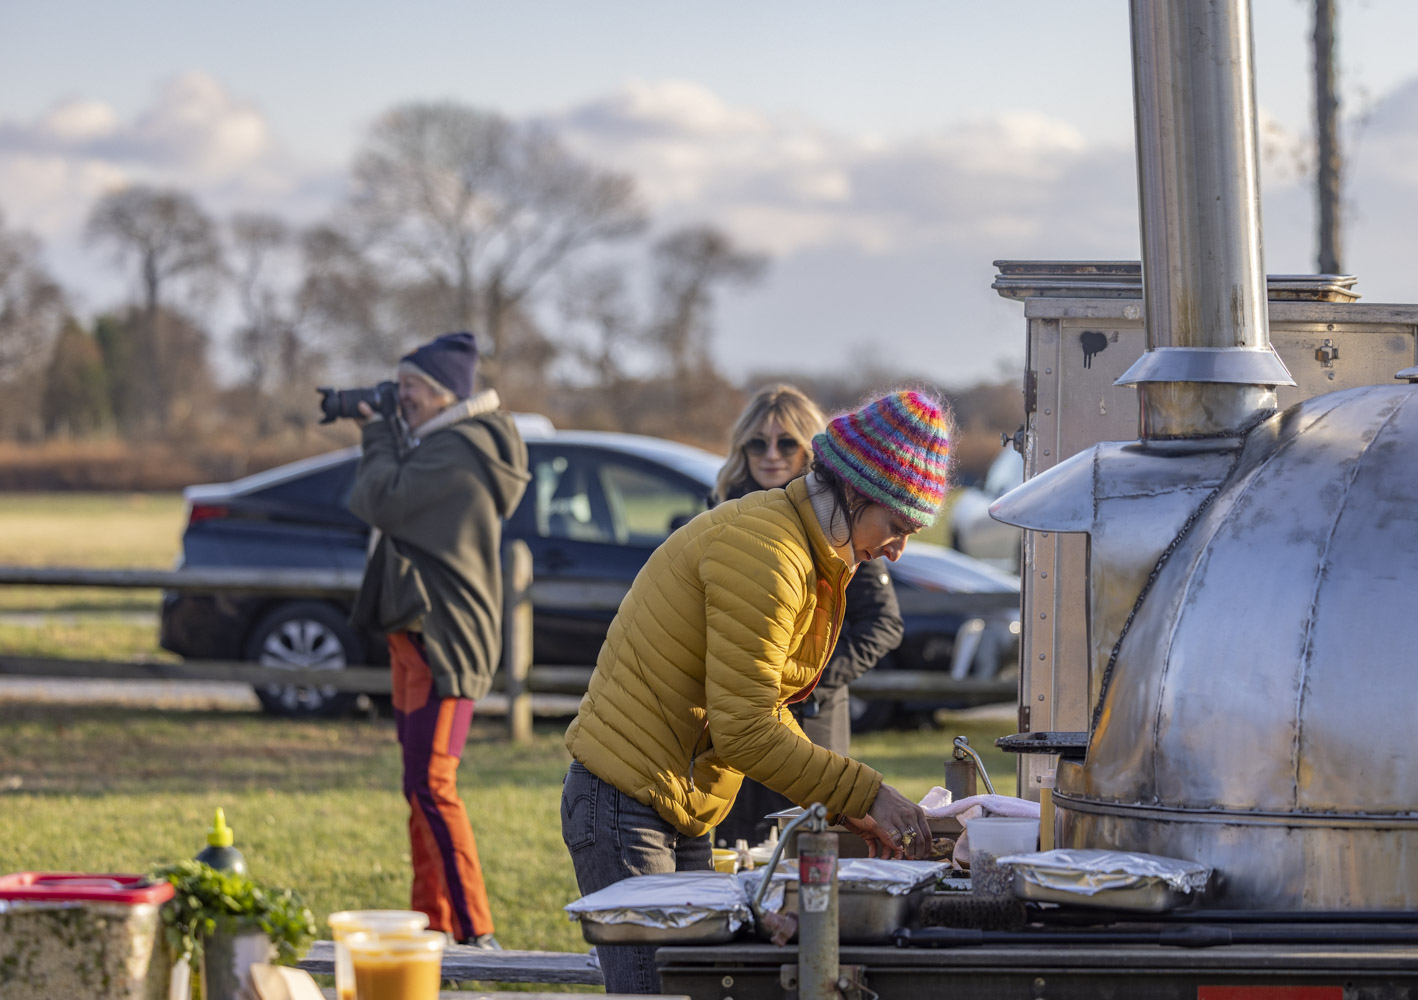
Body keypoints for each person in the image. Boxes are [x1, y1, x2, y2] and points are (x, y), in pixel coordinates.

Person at [561, 389, 950, 994]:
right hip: (626, 805)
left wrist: (848, 803)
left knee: (696, 987)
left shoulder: (799, 546)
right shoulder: (769, 553)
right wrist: (868, 792)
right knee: (652, 992)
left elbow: (760, 706)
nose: (898, 549)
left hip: (671, 805)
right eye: (896, 525)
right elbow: (744, 730)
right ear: (853, 491)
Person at [349, 331, 530, 949]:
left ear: (446, 394)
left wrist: (376, 433)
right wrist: (389, 428)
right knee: (416, 787)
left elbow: (381, 498)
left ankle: (476, 929)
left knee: (434, 785)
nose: (401, 402)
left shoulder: (459, 450)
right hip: (415, 638)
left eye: (410, 392)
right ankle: (432, 921)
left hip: (443, 645)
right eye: (399, 391)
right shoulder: (440, 442)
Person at [712, 385, 905, 849]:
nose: (771, 454)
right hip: (737, 714)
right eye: (758, 443)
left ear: (810, 450)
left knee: (809, 849)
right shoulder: (721, 513)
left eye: (787, 442)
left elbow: (882, 623)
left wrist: (812, 677)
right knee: (734, 850)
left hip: (811, 716)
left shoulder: (839, 524)